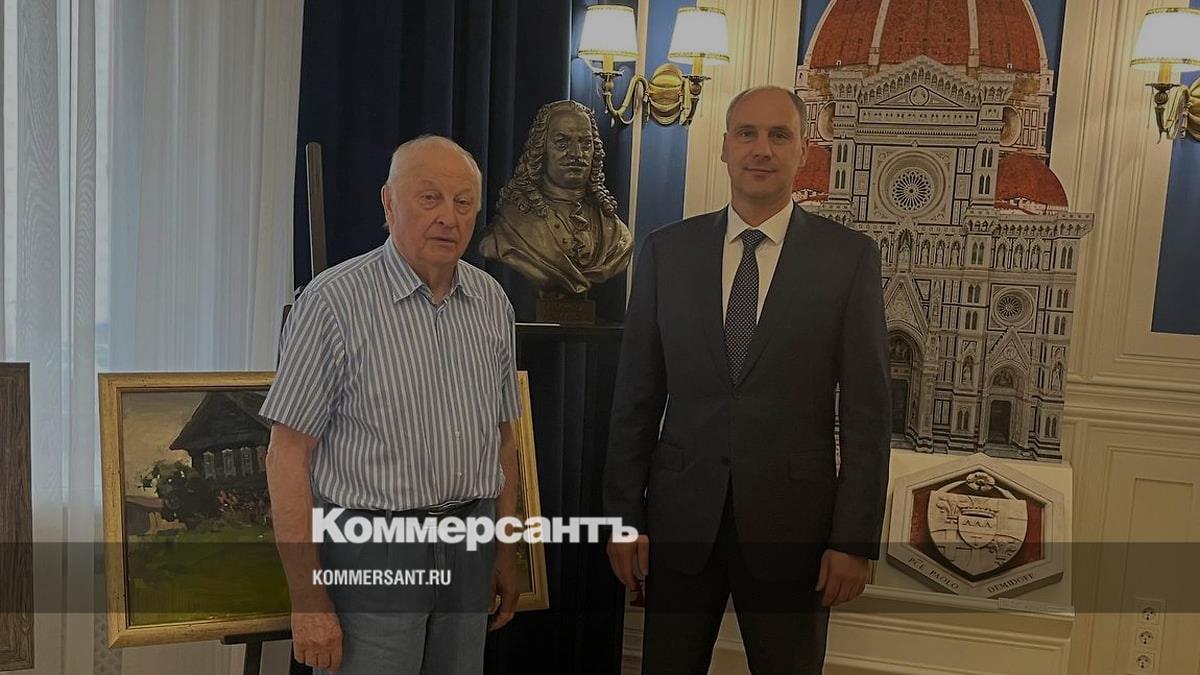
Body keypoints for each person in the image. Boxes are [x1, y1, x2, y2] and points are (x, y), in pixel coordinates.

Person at [603, 86, 890, 674]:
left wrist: (853, 540)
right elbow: (635, 398)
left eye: (779, 135)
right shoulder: (666, 252)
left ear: (803, 150)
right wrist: (623, 520)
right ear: (725, 147)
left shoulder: (848, 259)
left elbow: (867, 414)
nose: (762, 149)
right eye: (747, 134)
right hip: (679, 525)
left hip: (797, 533)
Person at [260, 135, 522, 674]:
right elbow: (287, 455)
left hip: (469, 546)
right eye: (429, 198)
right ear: (388, 203)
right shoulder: (333, 302)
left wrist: (504, 550)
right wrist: (307, 599)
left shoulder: (493, 302)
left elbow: (503, 441)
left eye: (463, 202)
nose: (448, 217)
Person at [479, 100, 632, 297]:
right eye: (562, 143)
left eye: (586, 144)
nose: (576, 154)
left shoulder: (617, 235)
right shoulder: (508, 228)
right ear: (540, 149)